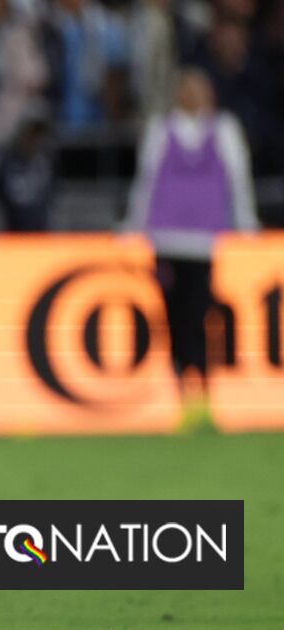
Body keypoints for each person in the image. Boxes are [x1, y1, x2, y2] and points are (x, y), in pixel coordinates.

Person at [124, 68, 259, 429]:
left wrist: (246, 223)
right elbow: (147, 182)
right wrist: (134, 226)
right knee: (172, 316)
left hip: (203, 242)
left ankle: (204, 386)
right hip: (167, 239)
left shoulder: (224, 130)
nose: (193, 95)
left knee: (201, 314)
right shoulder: (160, 131)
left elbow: (238, 180)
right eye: (187, 89)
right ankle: (181, 387)